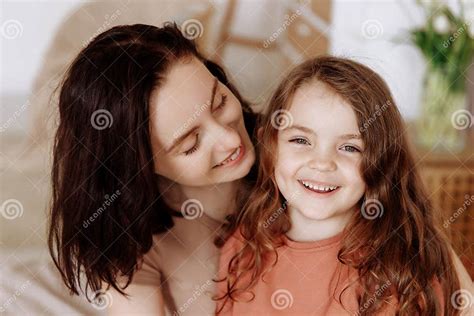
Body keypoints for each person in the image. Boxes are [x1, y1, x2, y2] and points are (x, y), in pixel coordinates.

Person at [216, 56, 473, 315]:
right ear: (269, 144)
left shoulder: (402, 268)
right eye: (301, 140)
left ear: (381, 161)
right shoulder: (240, 249)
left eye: (349, 147)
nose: (322, 163)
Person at [48, 23, 258, 315]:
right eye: (191, 144)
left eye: (219, 102)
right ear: (138, 165)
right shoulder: (132, 246)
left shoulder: (293, 154)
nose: (232, 139)